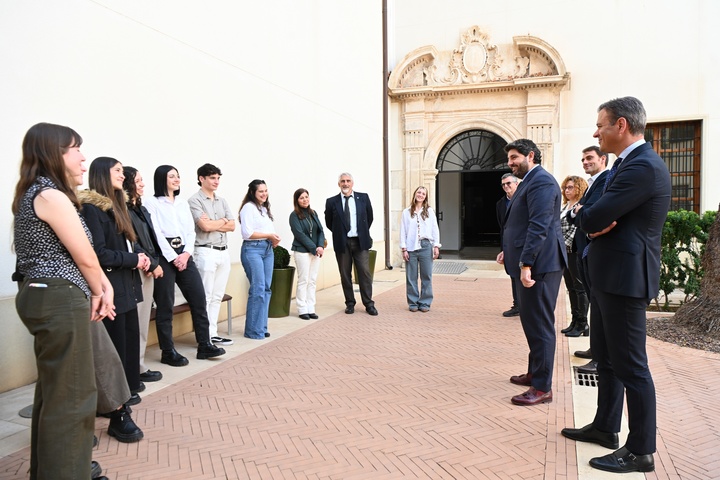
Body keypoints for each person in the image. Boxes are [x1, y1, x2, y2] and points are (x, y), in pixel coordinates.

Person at [561, 97, 671, 474]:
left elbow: (593, 214)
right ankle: (606, 427)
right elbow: (591, 215)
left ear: (620, 125)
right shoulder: (625, 165)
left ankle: (641, 449)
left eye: (601, 125)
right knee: (605, 360)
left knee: (632, 367)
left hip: (625, 281)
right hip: (609, 277)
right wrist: (591, 217)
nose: (596, 132)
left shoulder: (641, 167)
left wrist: (590, 217)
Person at [12, 122, 114, 479]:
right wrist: (100, 291)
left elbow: (81, 254)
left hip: (47, 294)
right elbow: (84, 255)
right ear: (53, 153)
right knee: (73, 395)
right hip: (58, 295)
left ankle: (51, 470)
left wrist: (103, 287)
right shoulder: (50, 195)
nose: (83, 156)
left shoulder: (39, 192)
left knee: (56, 391)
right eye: (75, 149)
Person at [497, 138, 566, 406]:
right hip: (528, 263)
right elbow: (519, 225)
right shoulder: (530, 181)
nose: (510, 163)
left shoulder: (542, 182)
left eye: (515, 157)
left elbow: (539, 226)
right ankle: (534, 372)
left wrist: (526, 264)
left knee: (540, 326)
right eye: (509, 159)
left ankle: (542, 387)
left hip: (540, 265)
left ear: (531, 155)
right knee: (531, 323)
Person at [144, 165, 226, 366]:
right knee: (165, 305)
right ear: (161, 179)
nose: (176, 179)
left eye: (178, 176)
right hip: (164, 256)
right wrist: (173, 257)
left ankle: (204, 344)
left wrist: (186, 253)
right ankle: (167, 351)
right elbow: (156, 233)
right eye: (172, 176)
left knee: (199, 298)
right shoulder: (152, 203)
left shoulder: (181, 204)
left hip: (185, 253)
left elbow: (190, 231)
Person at [80, 157, 149, 397]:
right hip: (111, 287)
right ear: (102, 174)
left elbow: (130, 243)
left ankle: (130, 388)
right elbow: (99, 253)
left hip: (127, 285)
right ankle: (116, 398)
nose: (122, 176)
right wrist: (134, 260)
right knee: (116, 345)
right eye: (117, 171)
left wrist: (141, 255)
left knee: (129, 341)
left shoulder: (118, 206)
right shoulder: (91, 209)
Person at [567, 146, 609, 374]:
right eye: (583, 158)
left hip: (593, 249)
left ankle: (600, 358)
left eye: (590, 158)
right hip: (584, 250)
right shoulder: (592, 183)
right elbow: (579, 215)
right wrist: (578, 212)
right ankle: (594, 349)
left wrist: (578, 212)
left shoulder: (605, 180)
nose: (585, 162)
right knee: (594, 303)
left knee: (599, 307)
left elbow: (591, 213)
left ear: (603, 159)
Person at [122, 166, 165, 383]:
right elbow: (133, 243)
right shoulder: (123, 210)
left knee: (142, 318)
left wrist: (155, 262)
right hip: (137, 270)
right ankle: (134, 368)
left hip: (149, 266)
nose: (142, 184)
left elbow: (150, 238)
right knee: (136, 320)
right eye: (137, 181)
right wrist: (150, 265)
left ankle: (138, 365)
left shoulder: (140, 208)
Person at [188, 163, 235, 345]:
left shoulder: (221, 201)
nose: (216, 181)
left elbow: (232, 225)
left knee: (217, 296)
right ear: (202, 179)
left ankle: (212, 333)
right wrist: (222, 221)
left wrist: (218, 222)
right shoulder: (195, 200)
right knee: (205, 296)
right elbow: (204, 226)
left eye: (218, 178)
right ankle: (204, 337)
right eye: (212, 178)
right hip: (205, 251)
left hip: (223, 252)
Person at [324, 173, 378, 315]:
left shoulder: (363, 198)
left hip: (360, 242)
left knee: (365, 273)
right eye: (343, 181)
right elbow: (329, 222)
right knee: (345, 274)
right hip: (342, 243)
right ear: (339, 184)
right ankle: (350, 303)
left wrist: (361, 231)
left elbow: (369, 217)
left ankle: (368, 304)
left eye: (348, 181)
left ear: (352, 183)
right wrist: (340, 233)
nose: (345, 184)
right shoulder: (331, 202)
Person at [239, 179, 281, 339]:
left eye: (265, 190)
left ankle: (261, 327)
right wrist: (269, 235)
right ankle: (253, 330)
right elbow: (247, 233)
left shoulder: (263, 209)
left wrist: (273, 239)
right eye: (260, 191)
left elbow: (266, 231)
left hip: (267, 250)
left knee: (265, 289)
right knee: (258, 289)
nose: (264, 194)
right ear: (253, 193)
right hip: (252, 250)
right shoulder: (248, 208)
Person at [399, 186, 441, 312]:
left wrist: (436, 246)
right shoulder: (406, 212)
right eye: (419, 192)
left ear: (426, 197)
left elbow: (435, 229)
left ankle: (425, 303)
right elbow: (403, 231)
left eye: (423, 193)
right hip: (411, 247)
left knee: (426, 276)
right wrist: (404, 248)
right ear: (415, 194)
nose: (421, 195)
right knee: (411, 276)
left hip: (426, 246)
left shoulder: (429, 211)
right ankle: (413, 302)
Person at [559, 175, 589, 338]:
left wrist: (563, 244)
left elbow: (575, 229)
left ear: (579, 188)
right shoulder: (565, 206)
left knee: (580, 288)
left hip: (574, 250)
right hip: (564, 252)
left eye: (570, 187)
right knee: (571, 288)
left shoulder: (580, 206)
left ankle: (583, 323)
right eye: (565, 187)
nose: (567, 190)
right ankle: (575, 321)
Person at [289, 188, 326, 320]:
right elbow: (299, 235)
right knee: (303, 280)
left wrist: (320, 246)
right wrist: (314, 248)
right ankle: (302, 308)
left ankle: (311, 307)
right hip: (302, 252)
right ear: (297, 200)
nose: (305, 200)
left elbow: (321, 231)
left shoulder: (313, 213)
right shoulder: (294, 215)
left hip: (316, 251)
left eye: (306, 197)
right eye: (301, 198)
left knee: (312, 280)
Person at [496, 173, 520, 317]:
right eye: (503, 184)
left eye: (508, 183)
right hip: (509, 246)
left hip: (522, 245)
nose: (506, 187)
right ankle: (517, 305)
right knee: (512, 274)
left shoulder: (524, 199)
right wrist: (502, 249)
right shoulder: (500, 204)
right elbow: (502, 228)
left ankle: (527, 306)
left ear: (516, 184)